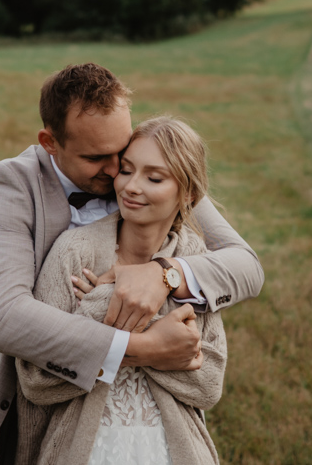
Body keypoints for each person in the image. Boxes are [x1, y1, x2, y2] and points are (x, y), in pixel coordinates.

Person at [0, 63, 263, 464]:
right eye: (98, 158)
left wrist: (163, 274)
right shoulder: (13, 182)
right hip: (52, 385)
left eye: (121, 151)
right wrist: (145, 347)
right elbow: (1, 317)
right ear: (50, 143)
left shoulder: (144, 165)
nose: (118, 172)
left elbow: (246, 266)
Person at [15, 115, 226, 465]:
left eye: (154, 177)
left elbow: (207, 386)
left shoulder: (193, 260)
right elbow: (36, 380)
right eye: (126, 171)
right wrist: (150, 337)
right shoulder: (75, 251)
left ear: (188, 193)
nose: (130, 187)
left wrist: (102, 313)